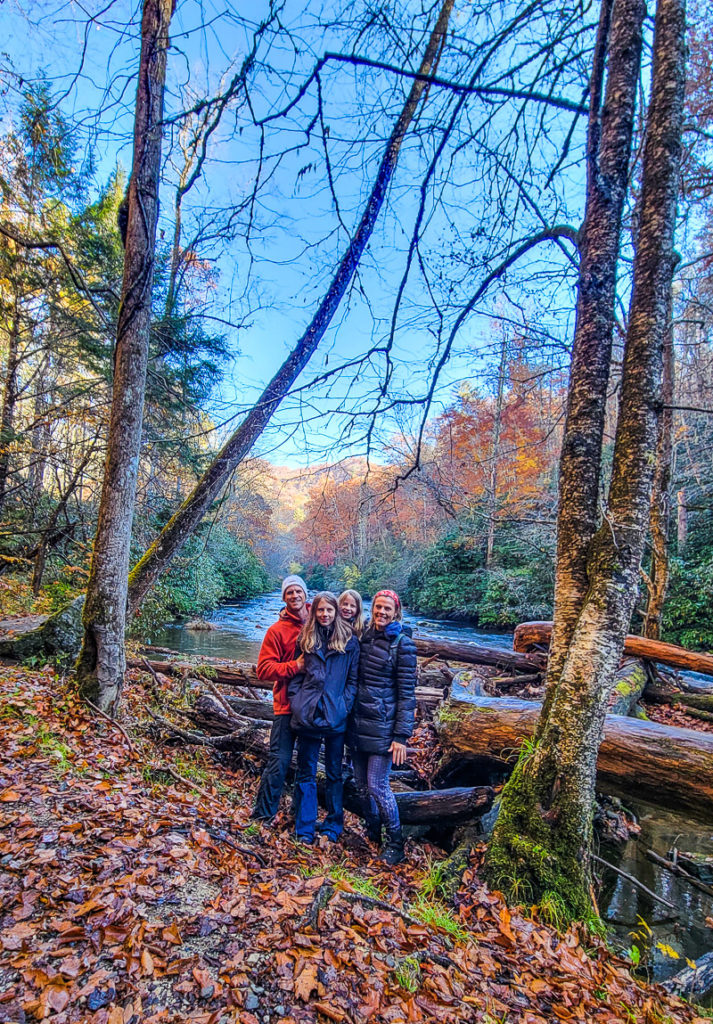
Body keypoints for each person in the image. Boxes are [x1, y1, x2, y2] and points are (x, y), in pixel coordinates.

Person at [349, 588, 417, 865]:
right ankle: (372, 830)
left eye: (387, 608)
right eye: (378, 607)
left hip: (383, 727)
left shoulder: (403, 644)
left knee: (378, 786)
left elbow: (407, 694)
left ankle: (396, 843)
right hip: (356, 724)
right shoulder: (363, 636)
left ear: (396, 612)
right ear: (372, 608)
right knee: (360, 785)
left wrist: (401, 736)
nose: (381, 612)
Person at [287, 592, 359, 844]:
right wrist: (297, 702)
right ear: (314, 612)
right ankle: (304, 828)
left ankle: (333, 825)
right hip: (307, 715)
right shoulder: (305, 639)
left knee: (333, 773)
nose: (325, 614)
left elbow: (352, 681)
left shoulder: (350, 642)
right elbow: (296, 678)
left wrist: (342, 706)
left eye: (329, 610)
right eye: (320, 610)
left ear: (336, 612)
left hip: (336, 718)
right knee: (305, 772)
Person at [250, 575, 309, 822]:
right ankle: (262, 816)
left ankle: (302, 821)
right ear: (283, 598)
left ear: (306, 594)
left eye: (298, 591)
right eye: (289, 593)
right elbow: (263, 669)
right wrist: (294, 666)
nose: (294, 596)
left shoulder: (320, 621)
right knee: (279, 761)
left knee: (308, 767)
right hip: (285, 706)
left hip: (313, 708)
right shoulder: (276, 631)